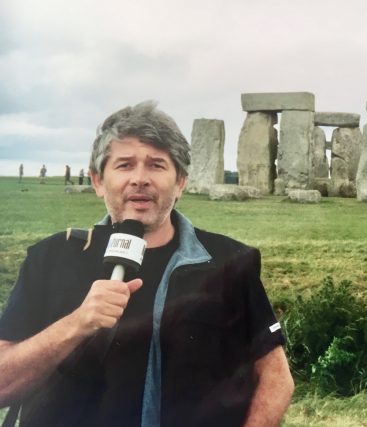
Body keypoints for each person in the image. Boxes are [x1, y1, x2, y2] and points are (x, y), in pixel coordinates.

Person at [0, 101, 294, 426]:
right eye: (124, 165)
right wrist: (78, 323)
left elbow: (276, 378)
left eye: (157, 165)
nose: (140, 179)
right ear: (98, 180)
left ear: (180, 182)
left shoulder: (231, 262)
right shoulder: (51, 258)